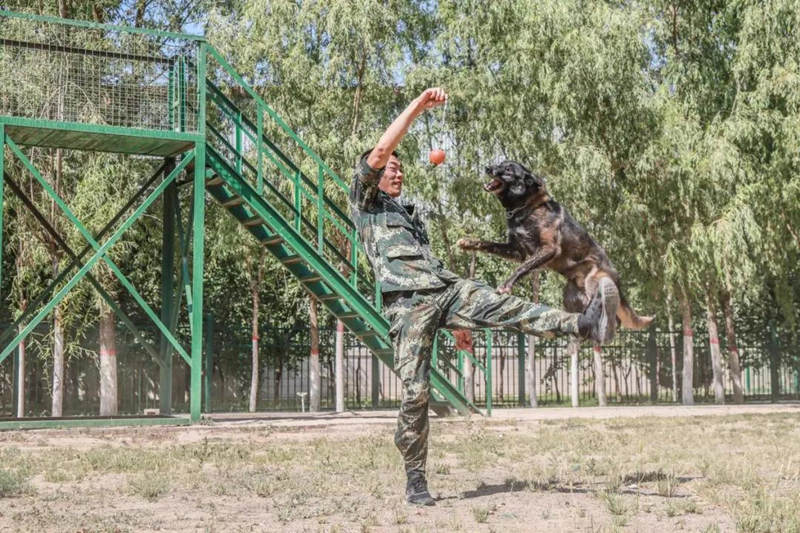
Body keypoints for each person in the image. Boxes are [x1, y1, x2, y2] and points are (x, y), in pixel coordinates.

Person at [348, 87, 617, 506]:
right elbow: (381, 149)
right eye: (391, 169)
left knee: (507, 306)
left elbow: (428, 262)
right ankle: (415, 478)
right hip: (408, 304)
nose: (397, 174)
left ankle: (583, 324)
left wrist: (458, 325)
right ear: (375, 173)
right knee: (416, 392)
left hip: (445, 290)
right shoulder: (365, 201)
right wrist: (419, 105)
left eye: (401, 170)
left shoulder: (408, 215)